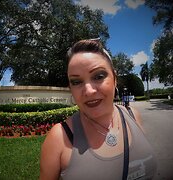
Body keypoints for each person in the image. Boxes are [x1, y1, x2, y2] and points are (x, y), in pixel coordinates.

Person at [39, 39, 157, 180]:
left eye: (99, 76)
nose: (88, 91)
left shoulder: (133, 115)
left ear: (114, 78)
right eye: (76, 82)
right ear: (70, 88)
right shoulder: (59, 137)